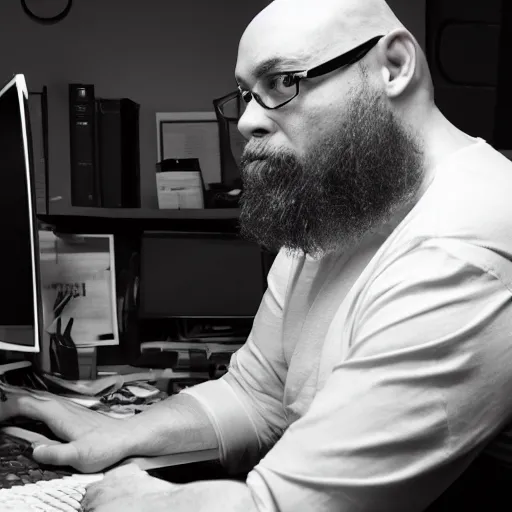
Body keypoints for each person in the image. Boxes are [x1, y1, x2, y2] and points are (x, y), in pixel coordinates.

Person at [4, 0, 512, 510]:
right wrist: (121, 433)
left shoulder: (466, 245)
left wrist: (144, 500)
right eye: (247, 94)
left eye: (283, 83)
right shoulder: (341, 206)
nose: (247, 121)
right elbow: (257, 394)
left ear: (394, 65)